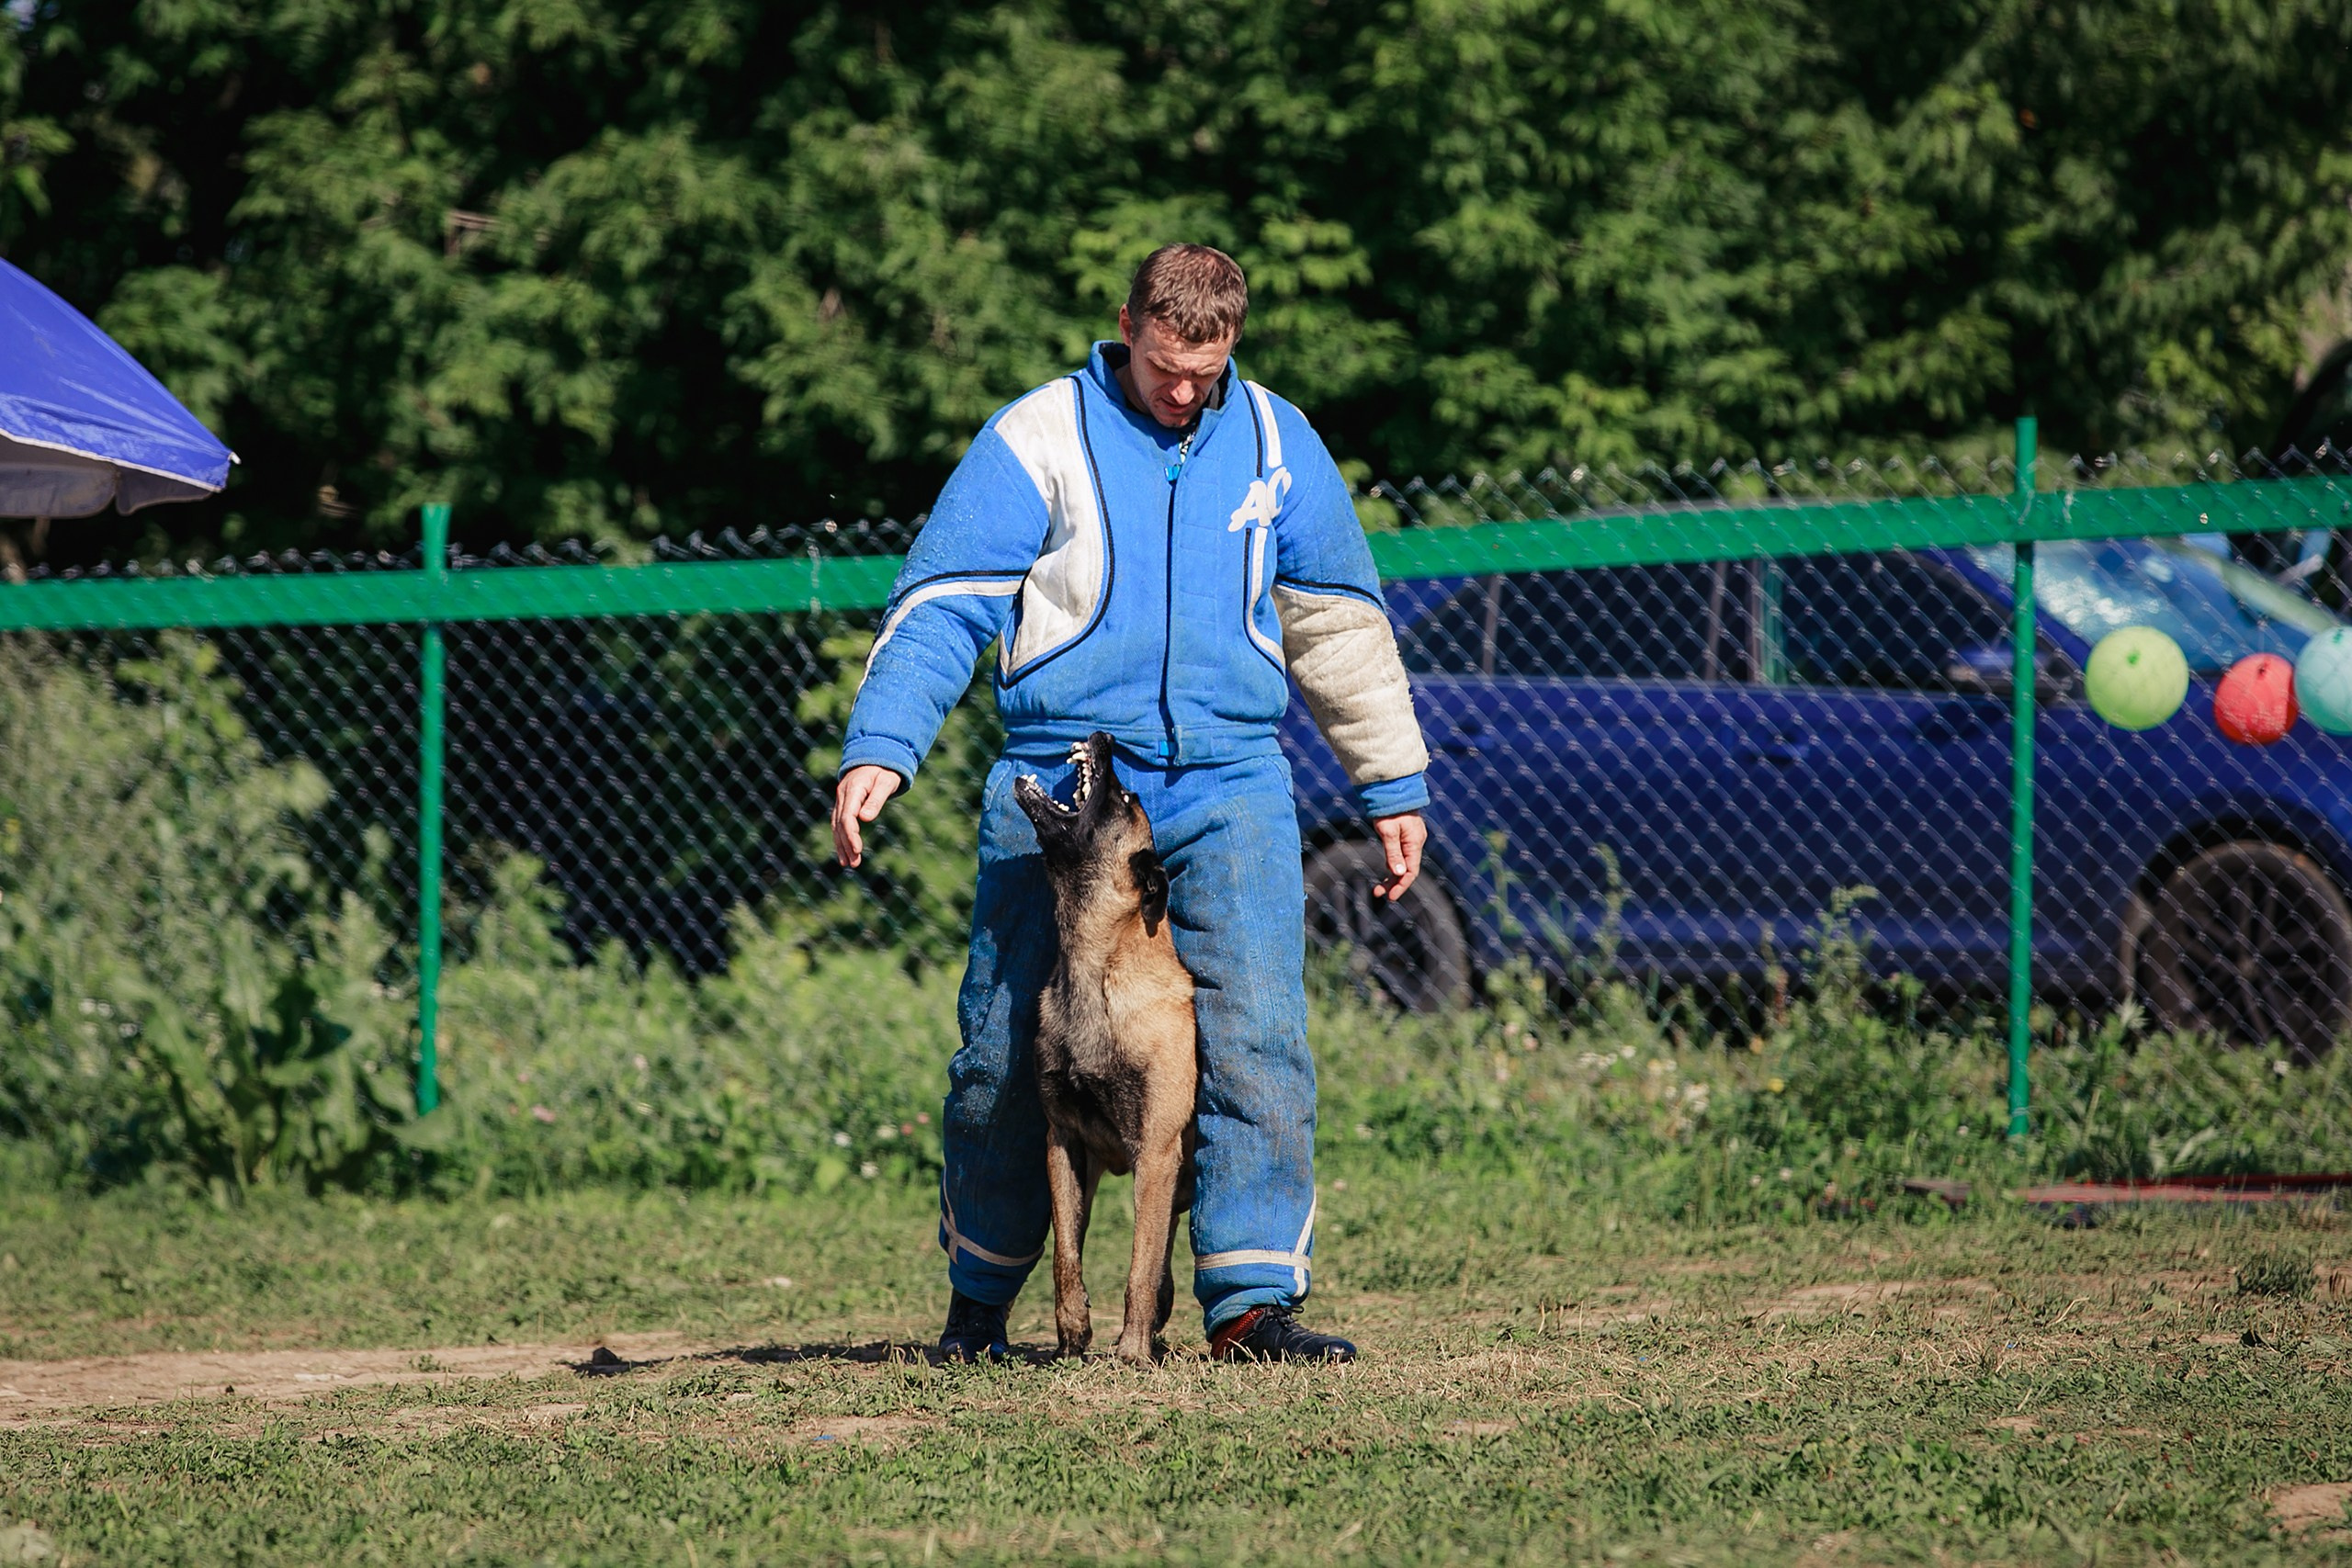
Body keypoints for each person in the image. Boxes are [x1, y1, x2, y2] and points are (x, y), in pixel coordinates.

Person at [831, 243, 1430, 1363]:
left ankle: (1251, 1305)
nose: (1185, 391)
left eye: (1208, 369)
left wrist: (1390, 779)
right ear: (1125, 326)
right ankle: (980, 1309)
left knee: (1258, 1039)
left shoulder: (1276, 439)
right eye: (1166, 367)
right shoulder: (1036, 436)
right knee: (1005, 1051)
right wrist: (883, 747)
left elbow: (1338, 621)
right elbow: (944, 602)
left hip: (1231, 779)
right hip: (1067, 782)